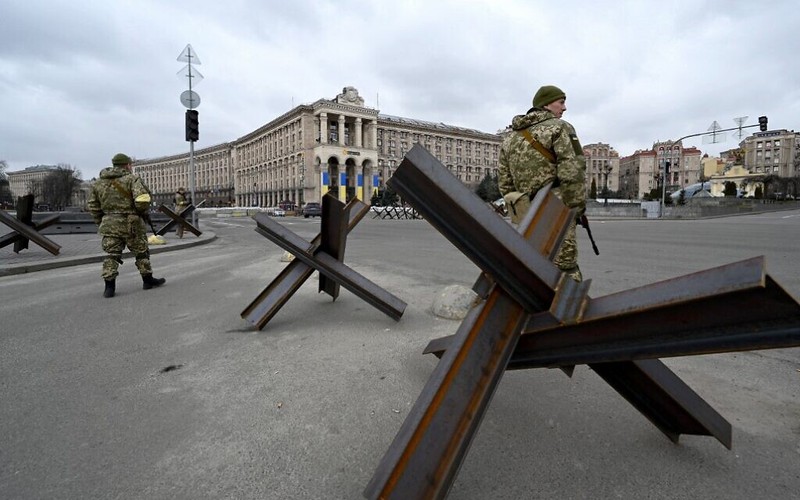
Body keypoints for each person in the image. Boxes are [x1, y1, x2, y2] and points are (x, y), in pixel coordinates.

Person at [498, 85, 587, 282]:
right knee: (565, 268)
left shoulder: (510, 138)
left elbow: (505, 183)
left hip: (525, 212)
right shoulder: (560, 128)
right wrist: (576, 209)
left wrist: (520, 209)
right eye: (561, 102)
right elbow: (572, 172)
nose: (564, 108)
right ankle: (566, 310)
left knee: (533, 264)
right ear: (546, 104)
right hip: (556, 208)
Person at [88, 153, 166, 298]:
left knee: (112, 255)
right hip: (132, 224)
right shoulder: (132, 179)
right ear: (127, 165)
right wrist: (140, 212)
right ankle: (147, 280)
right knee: (141, 253)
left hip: (109, 223)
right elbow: (142, 200)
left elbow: (93, 206)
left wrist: (102, 221)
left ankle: (109, 288)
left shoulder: (98, 183)